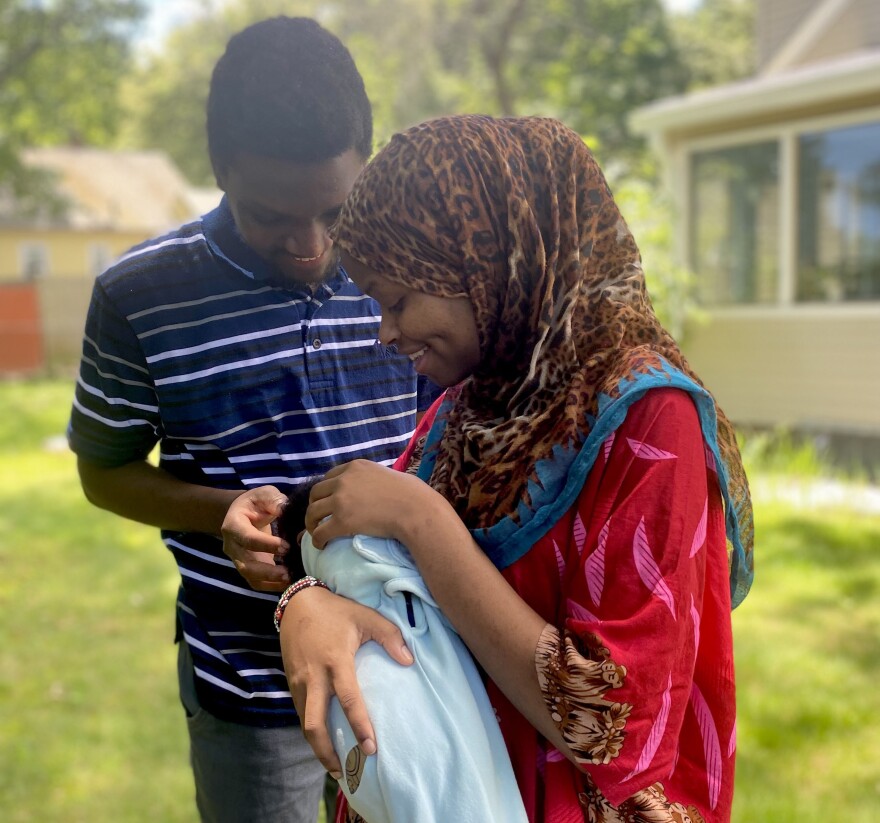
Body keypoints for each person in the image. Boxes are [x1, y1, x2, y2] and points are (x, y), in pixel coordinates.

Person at [227, 114, 756, 822]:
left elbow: (612, 727)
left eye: (400, 300)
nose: (386, 332)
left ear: (489, 262)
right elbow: (386, 580)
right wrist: (302, 592)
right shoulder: (475, 406)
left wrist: (422, 520)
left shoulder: (648, 422)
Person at [67, 17, 438, 823]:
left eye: (337, 212)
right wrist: (219, 512)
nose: (309, 246)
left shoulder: (413, 269)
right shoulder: (141, 297)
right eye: (274, 215)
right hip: (249, 686)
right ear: (221, 169)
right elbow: (103, 471)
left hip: (411, 668)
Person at [272, 483, 529, 823]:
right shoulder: (367, 545)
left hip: (371, 744)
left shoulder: (338, 563)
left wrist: (299, 593)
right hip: (421, 740)